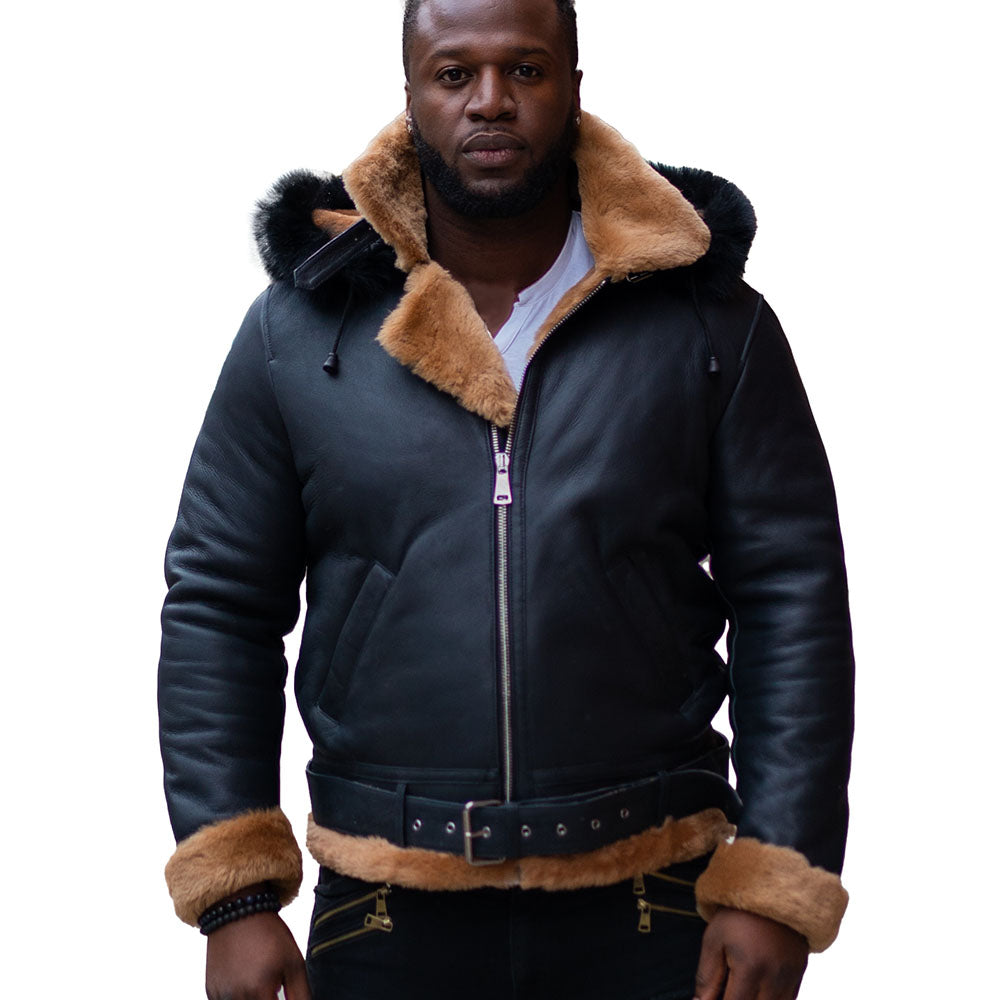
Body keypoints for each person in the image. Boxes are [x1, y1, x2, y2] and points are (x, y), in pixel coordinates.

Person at [158, 1, 854, 997]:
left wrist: (778, 880)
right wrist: (235, 897)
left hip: (655, 893)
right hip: (384, 902)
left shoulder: (707, 322)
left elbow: (792, 598)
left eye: (525, 69)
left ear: (572, 85)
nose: (490, 100)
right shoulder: (298, 332)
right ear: (411, 93)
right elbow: (220, 603)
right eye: (455, 74)